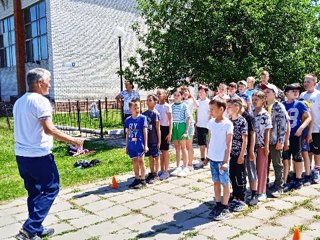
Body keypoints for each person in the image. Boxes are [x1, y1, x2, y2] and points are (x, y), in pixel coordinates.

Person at [13, 68, 84, 240]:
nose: (50, 85)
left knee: (35, 192)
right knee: (52, 188)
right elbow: (49, 129)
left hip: (22, 155)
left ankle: (36, 228)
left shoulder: (19, 102)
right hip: (38, 155)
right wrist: (74, 140)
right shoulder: (40, 101)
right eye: (48, 81)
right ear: (39, 83)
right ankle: (29, 229)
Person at [207, 98, 233, 221]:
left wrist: (225, 161)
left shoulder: (228, 124)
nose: (210, 111)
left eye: (212, 109)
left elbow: (228, 144)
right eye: (210, 109)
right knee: (216, 182)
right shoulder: (211, 122)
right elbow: (210, 139)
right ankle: (218, 204)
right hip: (213, 158)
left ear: (221, 109)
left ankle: (225, 206)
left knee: (225, 183)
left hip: (222, 160)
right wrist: (208, 155)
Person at [282, 83, 311, 192]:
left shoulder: (300, 104)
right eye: (292, 91)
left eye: (297, 91)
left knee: (297, 156)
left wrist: (301, 128)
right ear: (286, 93)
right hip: (285, 136)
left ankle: (298, 179)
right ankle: (285, 179)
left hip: (296, 135)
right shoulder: (282, 104)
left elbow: (308, 118)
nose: (295, 92)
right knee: (285, 157)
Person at [264, 84, 289, 198]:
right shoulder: (263, 106)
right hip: (264, 141)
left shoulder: (279, 107)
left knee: (277, 164)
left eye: (268, 91)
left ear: (275, 94)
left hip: (275, 140)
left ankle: (279, 186)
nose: (266, 93)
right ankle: (265, 183)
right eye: (265, 91)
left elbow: (283, 125)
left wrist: (281, 141)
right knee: (265, 163)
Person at [226, 98, 248, 212]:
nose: (227, 109)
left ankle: (242, 199)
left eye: (229, 107)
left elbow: (245, 140)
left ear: (237, 108)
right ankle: (235, 196)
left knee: (240, 176)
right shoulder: (229, 121)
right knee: (232, 175)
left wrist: (241, 155)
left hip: (239, 153)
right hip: (231, 153)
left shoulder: (242, 121)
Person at [300, 73, 320, 184]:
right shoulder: (302, 95)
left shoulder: (318, 95)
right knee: (308, 151)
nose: (306, 83)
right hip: (305, 128)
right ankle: (309, 170)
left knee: (317, 150)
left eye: (308, 81)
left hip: (317, 128)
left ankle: (317, 170)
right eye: (305, 81)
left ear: (315, 83)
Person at [252, 91, 272, 201]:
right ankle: (254, 189)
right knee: (253, 169)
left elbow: (267, 131)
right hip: (252, 146)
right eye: (253, 99)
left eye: (257, 99)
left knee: (262, 169)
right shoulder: (251, 113)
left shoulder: (265, 114)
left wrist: (266, 146)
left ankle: (262, 191)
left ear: (263, 100)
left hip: (262, 145)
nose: (254, 102)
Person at [125, 100, 148, 189]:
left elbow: (145, 132)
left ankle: (143, 180)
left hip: (140, 144)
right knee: (134, 161)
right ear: (130, 109)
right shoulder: (128, 120)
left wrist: (146, 145)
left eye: (138, 107)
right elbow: (127, 133)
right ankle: (137, 178)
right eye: (135, 108)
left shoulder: (142, 118)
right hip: (131, 145)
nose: (137, 109)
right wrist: (127, 146)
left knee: (141, 161)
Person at [241, 99, 258, 206]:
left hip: (249, 148)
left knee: (251, 170)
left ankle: (254, 193)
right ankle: (241, 192)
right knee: (240, 172)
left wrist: (251, 150)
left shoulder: (249, 116)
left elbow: (253, 134)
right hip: (238, 149)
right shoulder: (232, 117)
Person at [170, 89, 191, 177]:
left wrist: (186, 131)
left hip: (182, 126)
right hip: (174, 126)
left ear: (182, 96)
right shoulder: (172, 106)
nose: (176, 97)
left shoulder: (184, 105)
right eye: (175, 95)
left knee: (183, 147)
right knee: (177, 147)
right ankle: (178, 166)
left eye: (178, 95)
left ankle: (185, 167)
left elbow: (188, 118)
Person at [143, 94, 161, 184]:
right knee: (150, 157)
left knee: (156, 157)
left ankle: (156, 174)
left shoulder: (156, 114)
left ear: (155, 102)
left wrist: (159, 141)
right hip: (148, 140)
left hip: (154, 139)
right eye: (147, 100)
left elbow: (158, 129)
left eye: (150, 100)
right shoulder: (144, 114)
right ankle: (152, 172)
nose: (148, 102)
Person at [181, 86, 199, 171]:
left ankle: (190, 164)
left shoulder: (191, 101)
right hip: (182, 124)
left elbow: (197, 105)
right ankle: (185, 163)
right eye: (183, 91)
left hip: (190, 123)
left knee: (189, 145)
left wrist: (193, 97)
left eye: (186, 91)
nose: (185, 93)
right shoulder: (181, 102)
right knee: (183, 146)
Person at [155, 89, 172, 180]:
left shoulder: (167, 106)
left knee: (165, 151)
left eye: (160, 94)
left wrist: (170, 133)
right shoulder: (156, 106)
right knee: (160, 151)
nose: (158, 95)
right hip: (159, 129)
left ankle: (166, 171)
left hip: (165, 129)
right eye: (157, 94)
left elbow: (170, 120)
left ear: (165, 95)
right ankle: (161, 169)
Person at [194, 85, 210, 169]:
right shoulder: (198, 101)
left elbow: (211, 114)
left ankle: (208, 160)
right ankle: (202, 159)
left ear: (206, 93)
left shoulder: (209, 102)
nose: (200, 93)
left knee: (208, 144)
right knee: (201, 144)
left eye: (202, 92)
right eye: (199, 92)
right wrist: (196, 123)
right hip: (199, 125)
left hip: (207, 126)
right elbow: (197, 113)